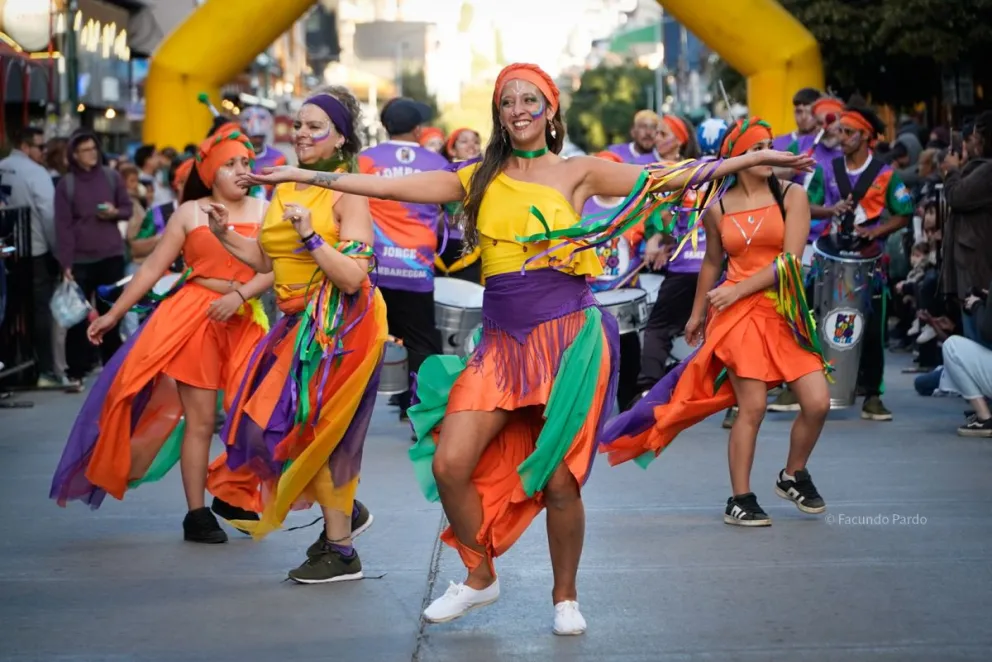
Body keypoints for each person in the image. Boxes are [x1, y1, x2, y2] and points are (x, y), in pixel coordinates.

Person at [242, 63, 811, 632]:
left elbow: (669, 176)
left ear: (551, 110)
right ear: (498, 114)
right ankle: (480, 577)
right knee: (449, 463)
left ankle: (566, 598)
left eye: (529, 99)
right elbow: (386, 186)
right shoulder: (476, 178)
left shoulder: (580, 172)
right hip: (500, 344)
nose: (518, 109)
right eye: (507, 100)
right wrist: (310, 176)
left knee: (560, 479)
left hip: (567, 338)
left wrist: (745, 161)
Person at [602, 117, 831, 527]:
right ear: (736, 158)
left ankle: (793, 473)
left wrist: (736, 290)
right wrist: (695, 314)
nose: (765, 153)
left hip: (782, 309)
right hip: (737, 317)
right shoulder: (718, 208)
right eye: (755, 147)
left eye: (769, 145)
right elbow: (712, 262)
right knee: (753, 406)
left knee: (817, 402)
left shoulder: (792, 196)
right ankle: (740, 498)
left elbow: (790, 262)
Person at [50, 129, 274, 543]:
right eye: (231, 163)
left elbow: (276, 268)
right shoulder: (189, 212)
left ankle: (232, 492)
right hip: (194, 319)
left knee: (254, 416)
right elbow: (153, 268)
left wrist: (241, 295)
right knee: (201, 422)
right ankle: (197, 514)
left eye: (246, 162)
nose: (242, 170)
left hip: (246, 321)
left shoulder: (266, 209)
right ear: (209, 174)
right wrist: (114, 315)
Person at [216, 86, 385, 583]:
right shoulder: (284, 186)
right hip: (295, 322)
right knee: (271, 424)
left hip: (342, 324)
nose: (304, 134)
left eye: (317, 127)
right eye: (300, 124)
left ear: (340, 138)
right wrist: (225, 232)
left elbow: (355, 277)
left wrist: (312, 236)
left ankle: (341, 549)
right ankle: (344, 515)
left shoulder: (348, 188)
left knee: (325, 432)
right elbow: (267, 262)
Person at [819, 103, 913, 421]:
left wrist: (875, 230)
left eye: (848, 132)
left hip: (869, 262)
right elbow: (808, 203)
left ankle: (872, 394)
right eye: (840, 131)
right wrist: (828, 213)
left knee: (871, 327)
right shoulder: (829, 169)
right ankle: (816, 388)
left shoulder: (885, 175)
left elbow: (905, 212)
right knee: (819, 319)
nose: (841, 137)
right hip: (831, 259)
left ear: (865, 136)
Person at [358, 98, 447, 420]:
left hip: (374, 269)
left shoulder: (366, 160)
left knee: (365, 343)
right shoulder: (436, 161)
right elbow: (445, 210)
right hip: (417, 269)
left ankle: (352, 417)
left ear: (384, 126)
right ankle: (420, 415)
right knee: (422, 344)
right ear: (418, 129)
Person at [633, 119, 729, 411]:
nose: (656, 138)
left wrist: (662, 238)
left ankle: (649, 388)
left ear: (680, 141)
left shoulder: (680, 175)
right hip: (714, 266)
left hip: (687, 266)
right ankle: (731, 398)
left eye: (664, 134)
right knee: (722, 330)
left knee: (657, 328)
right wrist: (661, 240)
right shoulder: (713, 173)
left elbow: (665, 220)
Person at [0, 127, 79, 390]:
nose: (43, 151)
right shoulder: (36, 173)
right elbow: (49, 215)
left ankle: (10, 362)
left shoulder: (3, 167)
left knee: (9, 311)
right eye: (39, 146)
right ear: (25, 146)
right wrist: (59, 253)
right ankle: (43, 368)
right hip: (35, 251)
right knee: (40, 311)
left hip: (8, 250)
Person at [55, 129, 134, 382]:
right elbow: (62, 226)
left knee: (111, 312)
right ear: (74, 155)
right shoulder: (66, 184)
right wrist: (66, 263)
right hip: (80, 258)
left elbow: (128, 209)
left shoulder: (111, 177)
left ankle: (111, 368)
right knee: (78, 318)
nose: (91, 154)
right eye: (85, 150)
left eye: (93, 149)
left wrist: (114, 212)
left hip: (110, 255)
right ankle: (76, 371)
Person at [438, 127, 483, 282]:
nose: (472, 145)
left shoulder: (488, 174)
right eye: (464, 141)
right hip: (444, 244)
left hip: (476, 248)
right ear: (452, 150)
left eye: (476, 142)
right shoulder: (443, 174)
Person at [241, 105, 287, 200]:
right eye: (254, 137)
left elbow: (285, 190)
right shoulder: (237, 157)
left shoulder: (278, 158)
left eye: (260, 136)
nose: (258, 140)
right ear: (245, 133)